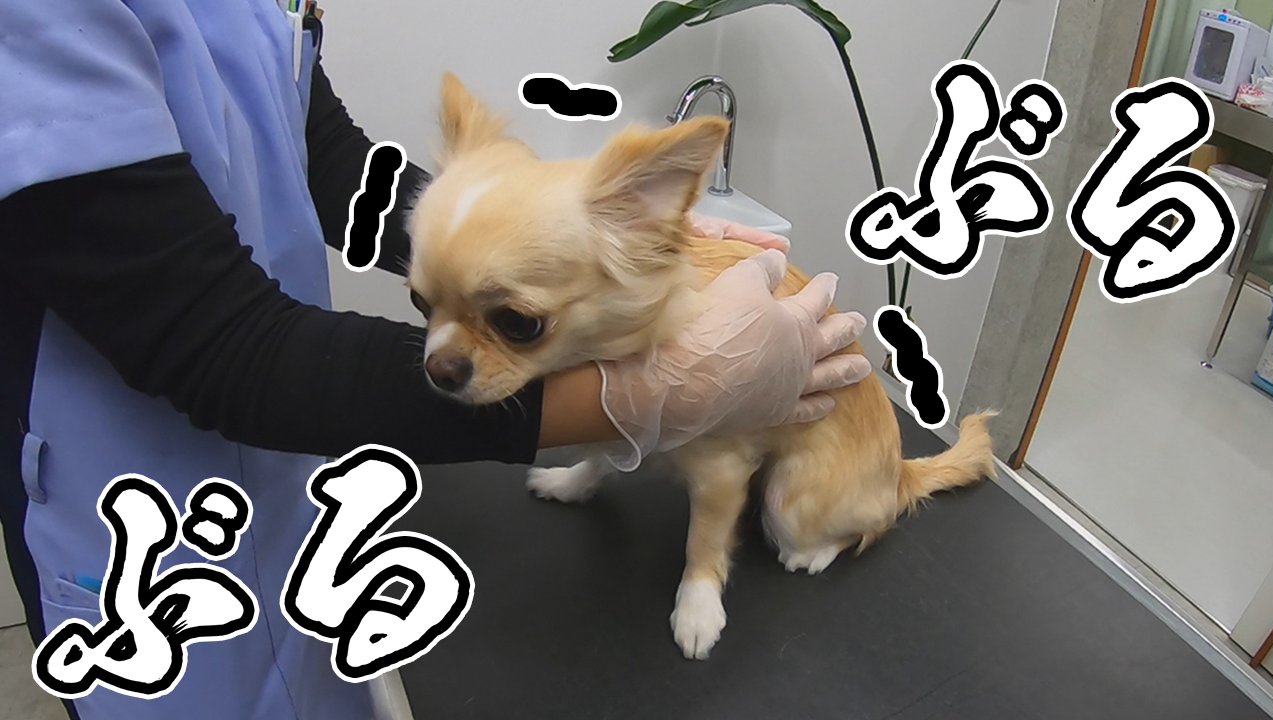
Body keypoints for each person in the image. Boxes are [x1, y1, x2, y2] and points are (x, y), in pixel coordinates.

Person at [0, 3, 873, 719]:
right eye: (429, 308)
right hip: (135, 510)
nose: (440, 350)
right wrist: (644, 396)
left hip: (299, 476)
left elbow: (323, 152)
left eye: (516, 320)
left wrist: (495, 222)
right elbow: (216, 342)